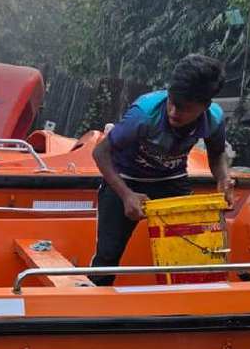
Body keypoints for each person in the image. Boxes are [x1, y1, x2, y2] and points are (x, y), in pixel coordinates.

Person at [90, 54, 233, 285]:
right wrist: (126, 195)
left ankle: (184, 302)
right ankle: (96, 297)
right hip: (125, 179)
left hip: (171, 180)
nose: (174, 112)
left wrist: (223, 178)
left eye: (185, 108)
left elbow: (217, 154)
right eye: (172, 102)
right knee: (107, 256)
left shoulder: (214, 119)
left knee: (192, 251)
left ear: (205, 107)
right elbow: (100, 152)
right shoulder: (144, 114)